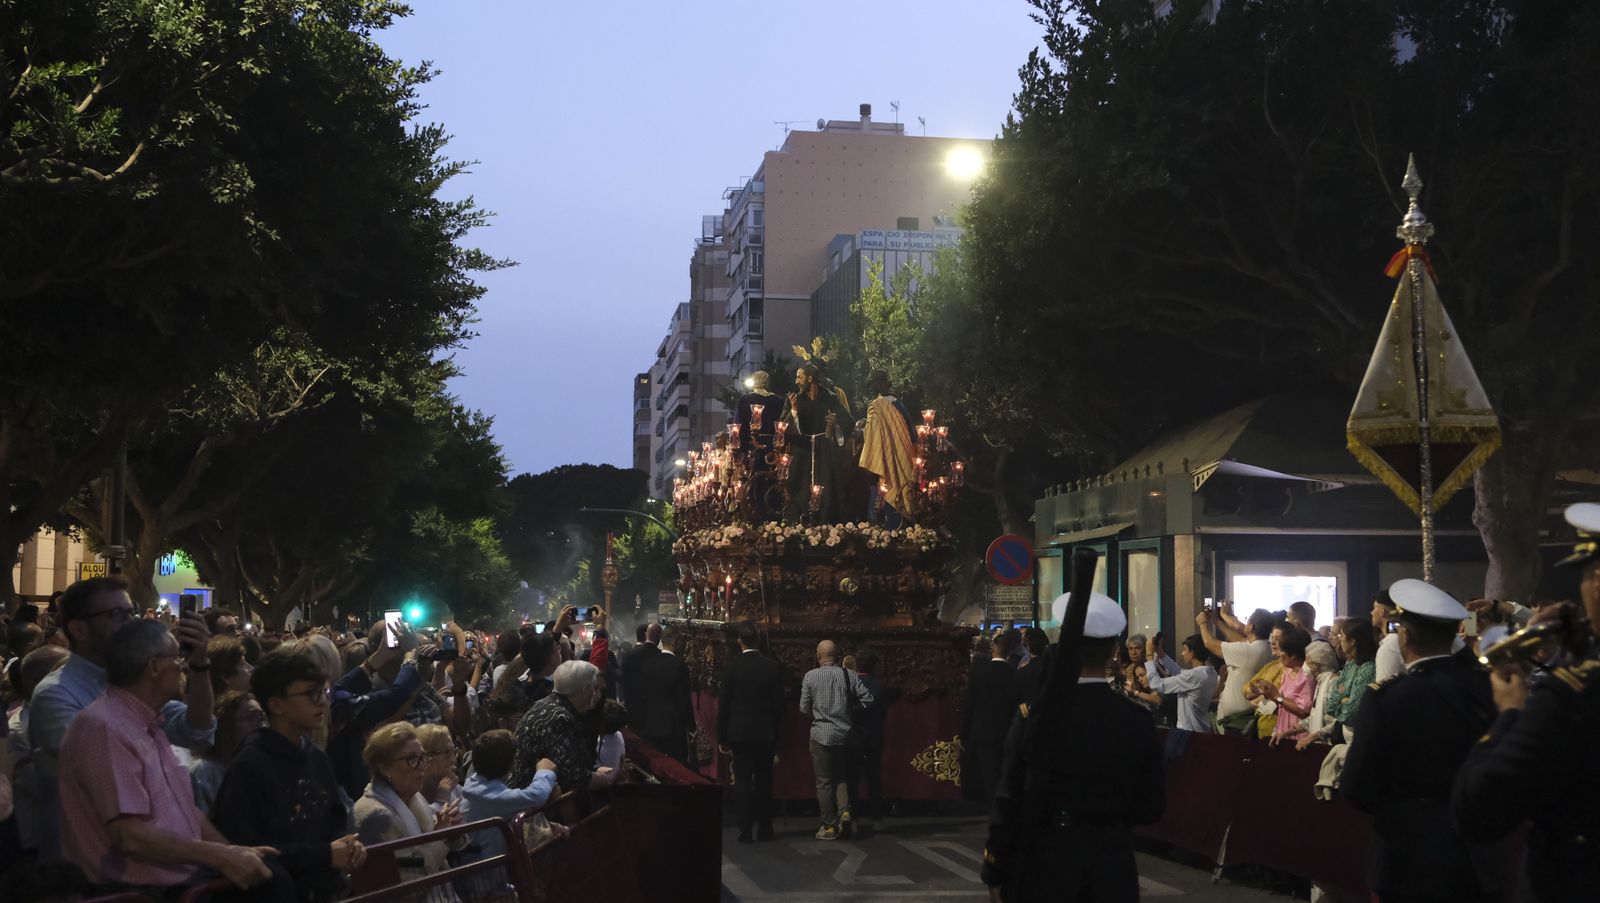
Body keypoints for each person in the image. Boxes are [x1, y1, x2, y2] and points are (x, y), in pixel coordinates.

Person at [57, 619, 275, 894]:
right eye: (177, 658)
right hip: (132, 894)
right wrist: (221, 856)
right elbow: (129, 835)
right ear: (154, 667)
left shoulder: (148, 724)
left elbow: (187, 812)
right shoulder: (104, 727)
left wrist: (234, 853)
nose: (182, 666)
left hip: (178, 884)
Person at [1452, 502, 1600, 902]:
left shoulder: (1570, 692)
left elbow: (1477, 809)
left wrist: (1510, 713)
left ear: (1597, 581)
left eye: (1585, 575)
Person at [982, 593, 1164, 902]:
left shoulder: (1035, 717)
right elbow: (1150, 806)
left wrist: (995, 868)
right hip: (1112, 865)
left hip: (1048, 862)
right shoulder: (1136, 719)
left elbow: (1009, 799)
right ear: (1114, 651)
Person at [1342, 579, 1504, 903]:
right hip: (1474, 850)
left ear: (1404, 635)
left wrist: (1400, 808)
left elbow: (1356, 787)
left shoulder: (1387, 698)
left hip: (1406, 852)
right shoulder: (1487, 686)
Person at [30, 576, 215, 859]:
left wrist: (200, 663)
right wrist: (219, 856)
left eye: (131, 612)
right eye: (116, 614)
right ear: (80, 629)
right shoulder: (56, 694)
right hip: (92, 866)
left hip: (157, 857)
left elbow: (196, 730)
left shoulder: (137, 683)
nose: (129, 623)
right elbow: (107, 769)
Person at [213, 647, 364, 903]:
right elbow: (249, 851)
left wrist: (347, 845)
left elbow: (334, 819)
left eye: (323, 692)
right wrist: (326, 854)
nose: (322, 701)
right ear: (276, 705)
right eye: (310, 693)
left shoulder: (315, 756)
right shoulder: (251, 764)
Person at [354, 722, 466, 896]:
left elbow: (441, 844)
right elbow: (409, 884)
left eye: (423, 757)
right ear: (384, 767)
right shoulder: (376, 816)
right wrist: (440, 836)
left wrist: (452, 833)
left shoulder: (415, 798)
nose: (421, 765)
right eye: (411, 759)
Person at [718, 620, 786, 843]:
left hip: (739, 732)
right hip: (765, 732)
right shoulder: (772, 667)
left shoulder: (731, 667)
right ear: (758, 640)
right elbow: (778, 705)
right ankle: (765, 827)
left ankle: (745, 829)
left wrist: (722, 736)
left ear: (739, 641)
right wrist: (774, 727)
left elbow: (724, 705)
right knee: (765, 780)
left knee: (743, 781)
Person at [799, 639, 874, 841]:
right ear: (837, 655)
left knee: (824, 782)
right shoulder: (849, 674)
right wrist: (851, 713)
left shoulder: (810, 676)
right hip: (845, 735)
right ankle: (845, 811)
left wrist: (816, 716)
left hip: (821, 735)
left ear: (818, 655)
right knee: (841, 776)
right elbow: (868, 699)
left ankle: (829, 826)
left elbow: (803, 708)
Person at [509, 660, 615, 795]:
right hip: (530, 800)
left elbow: (568, 763)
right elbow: (576, 779)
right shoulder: (559, 717)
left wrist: (596, 770)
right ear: (586, 691)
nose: (598, 695)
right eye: (595, 688)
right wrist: (609, 778)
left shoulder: (545, 704)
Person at [6, 643, 68, 856]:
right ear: (38, 682)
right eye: (63, 673)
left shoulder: (53, 717)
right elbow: (59, 788)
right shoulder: (20, 731)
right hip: (38, 850)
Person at [460, 729, 557, 859]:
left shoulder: (475, 783)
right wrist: (544, 772)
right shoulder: (488, 797)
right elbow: (536, 796)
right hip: (490, 870)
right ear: (512, 764)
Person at [780, 360, 852, 523]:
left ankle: (825, 522)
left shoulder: (829, 397)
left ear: (810, 378)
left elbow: (848, 420)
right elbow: (782, 426)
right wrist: (794, 411)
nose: (796, 381)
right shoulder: (793, 398)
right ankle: (799, 522)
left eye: (799, 377)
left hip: (824, 451)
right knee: (800, 486)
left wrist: (836, 421)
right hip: (801, 451)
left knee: (827, 484)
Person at [1295, 618, 1376, 749]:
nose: (1339, 640)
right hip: (1344, 738)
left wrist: (1343, 700)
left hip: (1359, 740)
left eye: (1341, 636)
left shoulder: (1369, 669)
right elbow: (1332, 704)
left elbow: (1350, 714)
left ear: (1352, 641)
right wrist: (1345, 700)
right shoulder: (1350, 664)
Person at [963, 629, 1022, 804]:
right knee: (1004, 769)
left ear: (993, 650)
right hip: (1006, 728)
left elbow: (970, 703)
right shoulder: (1014, 673)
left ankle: (992, 803)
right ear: (1009, 651)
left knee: (988, 771)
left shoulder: (979, 673)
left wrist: (964, 730)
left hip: (983, 729)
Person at [1197, 603, 1274, 735]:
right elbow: (1239, 640)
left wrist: (1202, 623)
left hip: (1239, 723)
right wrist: (1217, 622)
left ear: (1251, 626)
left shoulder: (1249, 652)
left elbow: (1210, 643)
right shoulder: (1265, 648)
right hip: (1245, 719)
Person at [856, 369, 917, 527]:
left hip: (882, 464)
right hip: (903, 460)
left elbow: (872, 435)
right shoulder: (899, 406)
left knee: (881, 510)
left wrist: (861, 431)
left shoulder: (876, 406)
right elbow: (913, 436)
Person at [190, 691, 265, 815]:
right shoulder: (205, 772)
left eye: (262, 718)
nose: (261, 725)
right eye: (250, 717)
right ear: (226, 726)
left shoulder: (260, 770)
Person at [634, 625, 694, 763]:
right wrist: (691, 726)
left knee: (655, 766)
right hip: (673, 729)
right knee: (676, 767)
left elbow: (642, 697)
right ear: (676, 642)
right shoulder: (679, 666)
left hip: (651, 726)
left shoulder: (648, 664)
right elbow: (683, 700)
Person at [1245, 624, 1314, 742]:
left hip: (1299, 736)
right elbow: (1283, 705)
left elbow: (1303, 712)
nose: (1279, 654)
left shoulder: (1307, 676)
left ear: (1294, 656)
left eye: (1282, 650)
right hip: (1282, 732)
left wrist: (1276, 696)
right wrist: (1267, 693)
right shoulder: (1287, 672)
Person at [851, 648, 894, 832]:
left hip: (855, 734)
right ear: (874, 665)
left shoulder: (851, 684)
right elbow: (884, 711)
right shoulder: (881, 685)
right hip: (874, 733)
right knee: (874, 778)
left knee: (852, 778)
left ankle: (853, 820)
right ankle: (876, 819)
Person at [1143, 634, 1219, 733]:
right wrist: (1159, 652)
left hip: (1189, 733)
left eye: (1185, 650)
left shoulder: (1193, 676)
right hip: (1202, 730)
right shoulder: (1210, 672)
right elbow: (1179, 672)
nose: (1182, 653)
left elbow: (1156, 684)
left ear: (1192, 653)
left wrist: (1149, 656)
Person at [620, 622, 660, 709]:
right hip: (653, 707)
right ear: (647, 635)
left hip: (632, 705)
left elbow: (624, 681)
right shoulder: (660, 655)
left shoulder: (628, 655)